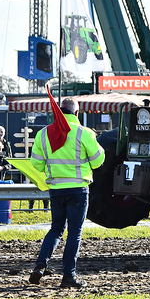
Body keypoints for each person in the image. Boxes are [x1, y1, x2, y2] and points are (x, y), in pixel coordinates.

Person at [28, 97, 105, 288]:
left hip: (55, 189)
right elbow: (97, 161)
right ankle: (68, 276)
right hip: (78, 190)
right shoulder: (84, 133)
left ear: (58, 111)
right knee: (74, 233)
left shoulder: (44, 133)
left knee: (56, 229)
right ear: (77, 113)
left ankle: (40, 265)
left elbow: (36, 162)